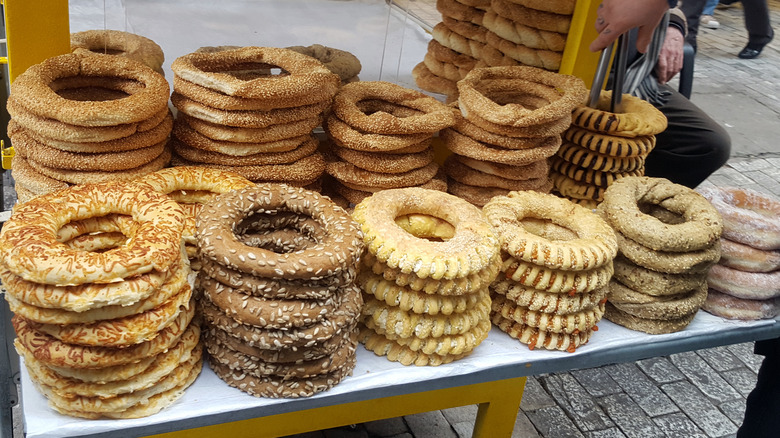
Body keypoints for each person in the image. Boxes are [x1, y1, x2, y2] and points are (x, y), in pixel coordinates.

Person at [591, 0, 731, 188]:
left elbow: (674, 8)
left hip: (632, 73)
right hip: (569, 69)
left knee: (709, 145)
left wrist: (672, 25)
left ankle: (626, 199)